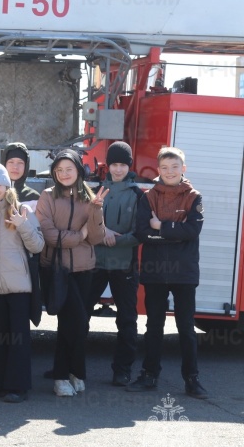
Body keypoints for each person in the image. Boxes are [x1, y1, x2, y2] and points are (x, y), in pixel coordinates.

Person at [127, 147, 208, 399]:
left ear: (183, 169)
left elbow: (192, 232)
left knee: (185, 328)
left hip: (184, 273)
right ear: (158, 170)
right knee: (154, 327)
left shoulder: (194, 197)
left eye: (175, 167)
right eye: (164, 168)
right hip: (155, 272)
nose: (169, 172)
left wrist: (160, 226)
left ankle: (192, 380)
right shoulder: (147, 197)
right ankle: (149, 375)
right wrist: (174, 231)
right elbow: (142, 233)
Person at [36, 148, 106, 397]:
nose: (64, 174)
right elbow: (48, 234)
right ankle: (61, 376)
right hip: (56, 269)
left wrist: (96, 210)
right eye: (59, 170)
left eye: (69, 169)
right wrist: (79, 236)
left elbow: (97, 237)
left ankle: (72, 371)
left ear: (79, 170)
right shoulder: (47, 196)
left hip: (85, 269)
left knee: (76, 324)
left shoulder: (89, 198)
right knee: (73, 321)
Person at [0, 162, 44, 403]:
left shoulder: (21, 210)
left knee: (18, 338)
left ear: (7, 185)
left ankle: (17, 386)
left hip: (18, 285)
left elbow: (38, 246)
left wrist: (23, 225)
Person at [86, 141, 142, 387]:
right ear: (107, 165)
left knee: (127, 320)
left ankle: (122, 370)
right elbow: (85, 223)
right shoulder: (96, 191)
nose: (118, 169)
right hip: (95, 263)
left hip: (124, 266)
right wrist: (103, 232)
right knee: (78, 314)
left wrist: (114, 240)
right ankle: (68, 367)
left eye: (123, 164)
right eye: (114, 164)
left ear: (129, 166)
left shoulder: (138, 195)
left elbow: (140, 233)